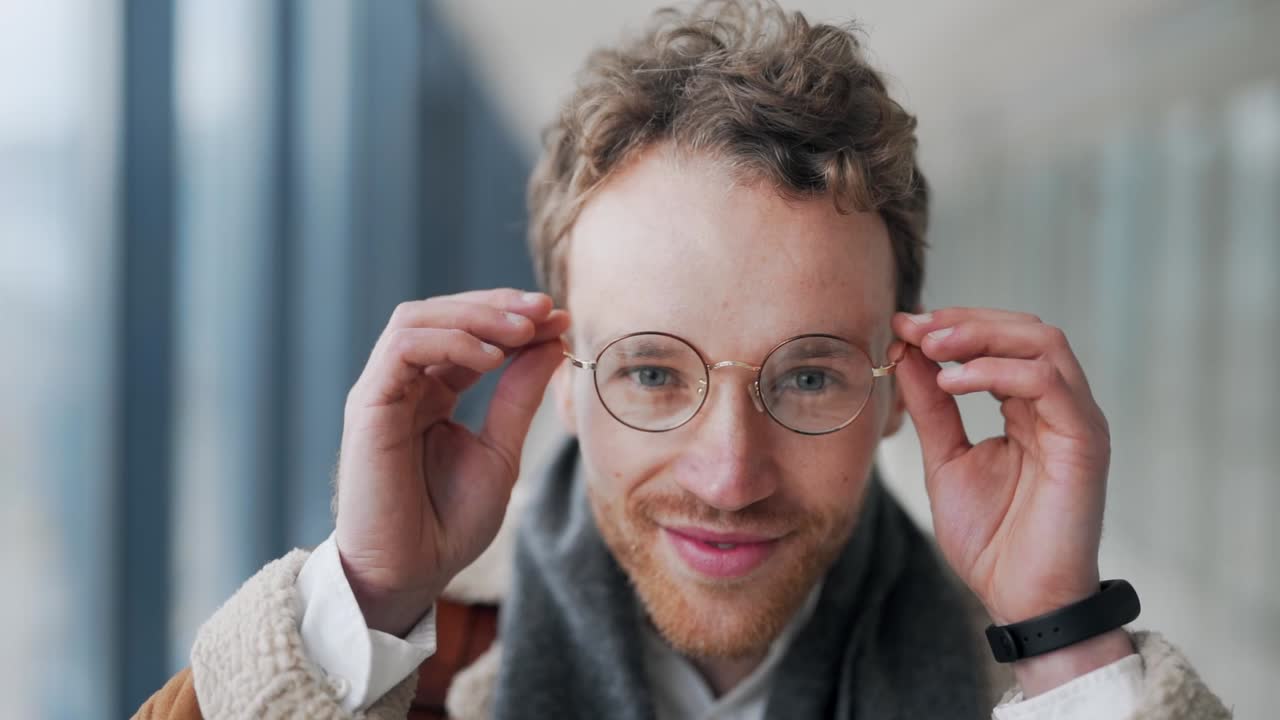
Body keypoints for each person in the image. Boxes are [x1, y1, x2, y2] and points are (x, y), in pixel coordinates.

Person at [137, 2, 1229, 718]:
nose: (727, 477)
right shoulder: (397, 667)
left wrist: (1062, 639)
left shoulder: (1036, 691)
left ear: (897, 387)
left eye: (805, 375)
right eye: (652, 372)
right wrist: (368, 598)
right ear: (561, 374)